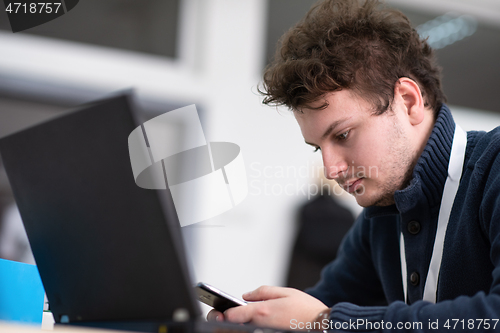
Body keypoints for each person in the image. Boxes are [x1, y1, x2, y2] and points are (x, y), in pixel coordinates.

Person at [207, 0, 500, 331]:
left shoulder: (494, 165)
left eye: (343, 135)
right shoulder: (380, 217)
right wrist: (258, 323)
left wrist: (327, 322)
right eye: (318, 148)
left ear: (408, 101)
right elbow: (314, 308)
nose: (331, 170)